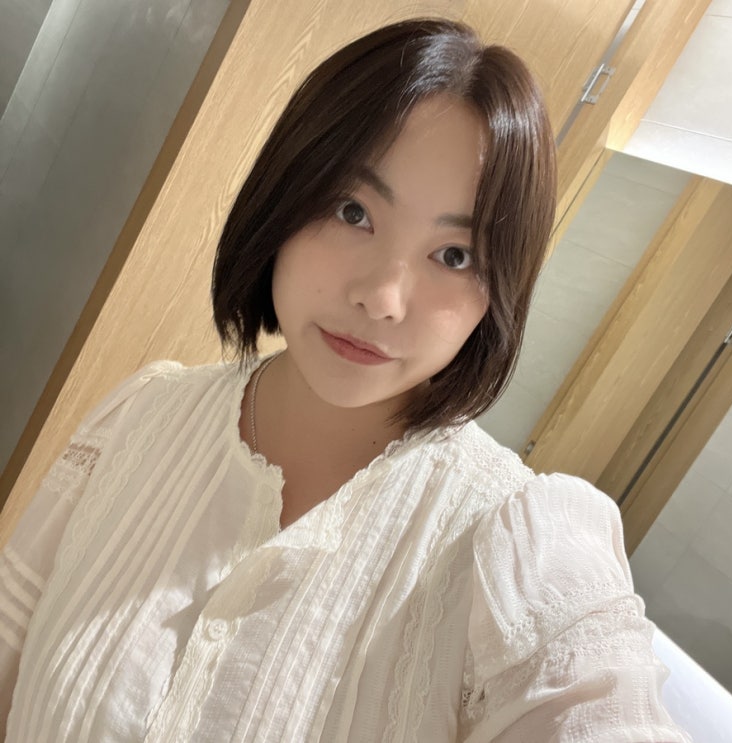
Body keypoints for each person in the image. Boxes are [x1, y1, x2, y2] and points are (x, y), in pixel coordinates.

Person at [0, 17, 691, 743]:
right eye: (353, 211)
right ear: (285, 196)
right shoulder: (139, 418)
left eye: (454, 255)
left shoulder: (518, 547)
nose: (383, 298)